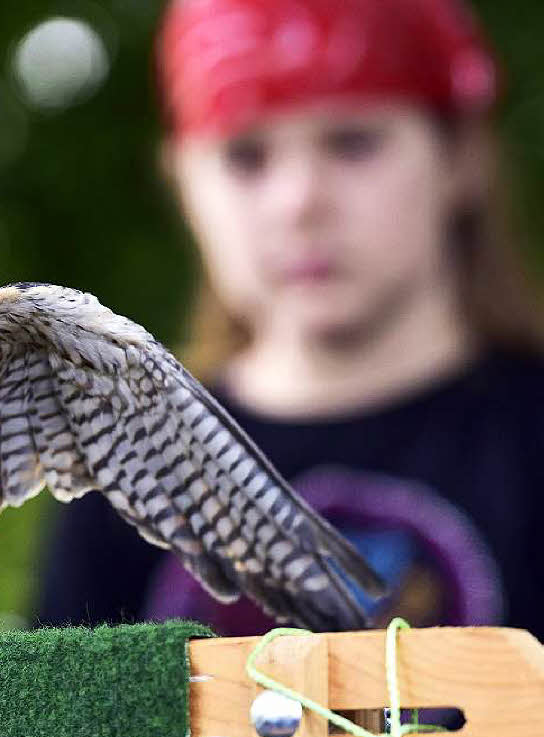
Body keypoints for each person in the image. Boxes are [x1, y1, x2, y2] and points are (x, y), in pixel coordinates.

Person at [35, 0, 544, 639]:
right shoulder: (113, 475)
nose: (299, 200)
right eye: (246, 156)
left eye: (354, 142)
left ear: (462, 155)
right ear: (182, 182)